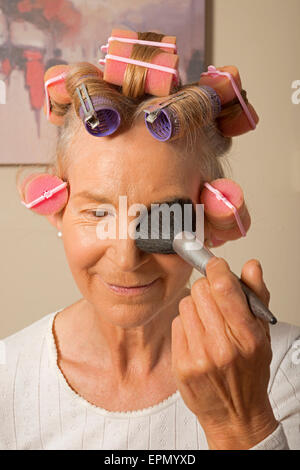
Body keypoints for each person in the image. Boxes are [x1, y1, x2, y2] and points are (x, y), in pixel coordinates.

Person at [0, 30, 299, 450]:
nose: (126, 257)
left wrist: (243, 425)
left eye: (163, 216)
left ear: (210, 216)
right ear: (57, 206)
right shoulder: (7, 379)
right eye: (99, 212)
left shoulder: (285, 369)